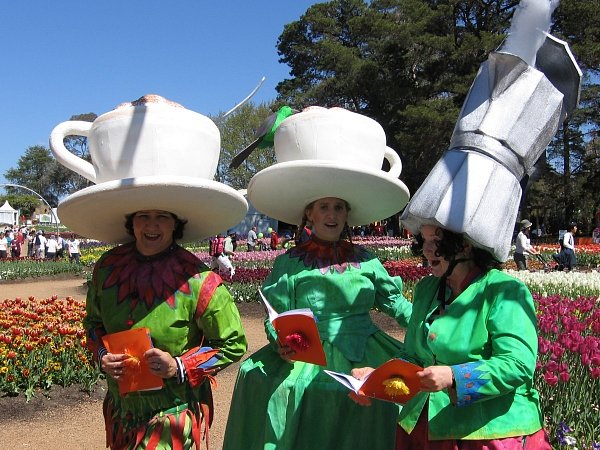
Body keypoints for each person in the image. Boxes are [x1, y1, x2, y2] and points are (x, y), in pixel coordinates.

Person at [350, 26, 575, 448]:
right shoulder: (426, 293)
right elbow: (417, 362)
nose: (426, 250)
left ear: (467, 243)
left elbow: (518, 365)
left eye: (438, 242)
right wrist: (375, 378)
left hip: (487, 436)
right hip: (425, 433)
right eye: (424, 240)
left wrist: (456, 376)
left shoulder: (504, 292)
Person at [50, 93, 250, 450]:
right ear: (131, 222)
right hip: (121, 414)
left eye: (162, 217)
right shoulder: (106, 270)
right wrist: (101, 356)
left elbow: (233, 344)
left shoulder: (199, 279)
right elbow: (93, 325)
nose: (152, 225)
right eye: (144, 216)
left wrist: (180, 365)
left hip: (171, 420)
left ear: (177, 225)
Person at [223, 106, 412, 450]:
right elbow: (276, 315)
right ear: (308, 212)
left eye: (339, 207)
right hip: (307, 357)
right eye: (324, 207)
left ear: (347, 215)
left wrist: (431, 329)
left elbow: (397, 305)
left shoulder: (367, 260)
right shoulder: (289, 263)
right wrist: (279, 340)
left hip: (364, 353)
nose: (332, 214)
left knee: (390, 400)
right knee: (271, 388)